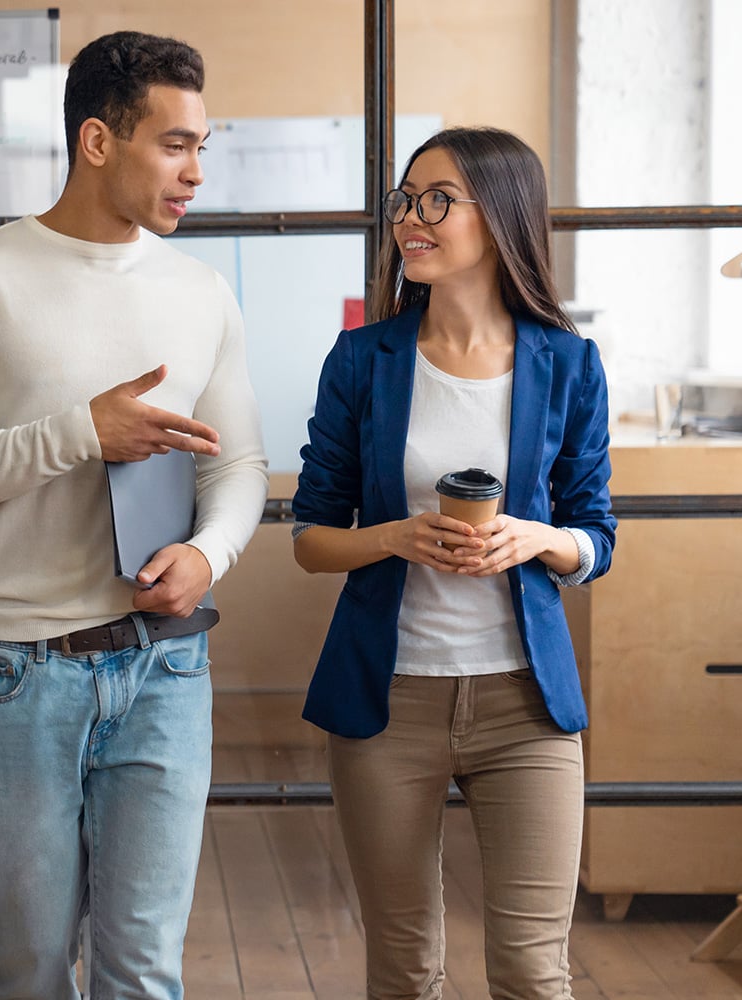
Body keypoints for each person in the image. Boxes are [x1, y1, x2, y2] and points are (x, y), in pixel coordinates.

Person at [0, 30, 268, 1000]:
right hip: (21, 668)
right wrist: (79, 432)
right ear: (98, 141)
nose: (195, 172)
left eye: (203, 147)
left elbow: (238, 465)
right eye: (174, 145)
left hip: (166, 659)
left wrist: (208, 551)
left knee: (142, 965)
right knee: (27, 964)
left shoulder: (200, 292)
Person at [291, 126, 616, 1000]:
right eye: (406, 200)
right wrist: (393, 536)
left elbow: (596, 536)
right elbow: (311, 537)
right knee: (403, 970)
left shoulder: (570, 363)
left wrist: (537, 539)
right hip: (387, 702)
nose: (411, 219)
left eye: (437, 200)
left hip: (526, 706)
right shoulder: (364, 360)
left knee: (532, 971)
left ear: (501, 216)